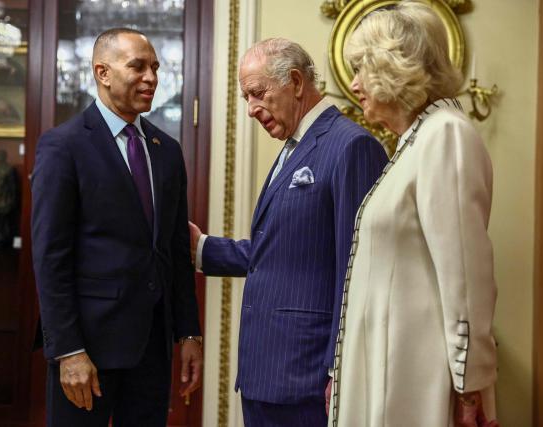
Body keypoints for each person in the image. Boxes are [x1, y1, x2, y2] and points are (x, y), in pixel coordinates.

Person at [189, 38, 388, 426]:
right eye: (247, 98)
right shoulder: (291, 147)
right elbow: (282, 253)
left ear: (296, 82)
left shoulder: (352, 146)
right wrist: (201, 249)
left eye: (258, 94)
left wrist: (339, 370)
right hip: (265, 373)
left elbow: (358, 271)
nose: (251, 109)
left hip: (309, 378)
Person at [328, 3, 500, 427]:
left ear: (393, 67)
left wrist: (469, 387)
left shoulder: (446, 135)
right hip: (390, 371)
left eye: (362, 69)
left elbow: (466, 276)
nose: (353, 84)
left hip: (417, 383)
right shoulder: (415, 141)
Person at [31, 28, 202, 426]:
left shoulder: (167, 150)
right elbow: (50, 257)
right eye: (138, 67)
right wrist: (68, 350)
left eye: (155, 68)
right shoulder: (64, 146)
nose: (152, 78)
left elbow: (176, 250)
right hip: (87, 349)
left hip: (152, 348)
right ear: (102, 73)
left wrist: (188, 334)